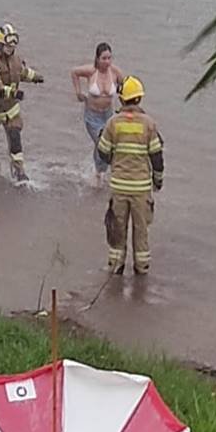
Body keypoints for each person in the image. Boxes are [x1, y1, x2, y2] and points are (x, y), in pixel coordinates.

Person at [96, 77, 164, 275]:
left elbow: (102, 152)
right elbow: (157, 157)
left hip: (119, 187)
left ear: (121, 99)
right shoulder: (149, 124)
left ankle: (116, 269)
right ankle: (141, 271)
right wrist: (157, 181)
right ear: (139, 99)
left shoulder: (112, 124)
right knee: (141, 231)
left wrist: (115, 162)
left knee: (117, 230)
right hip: (141, 189)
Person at [0, 23, 44, 182]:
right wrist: (12, 92)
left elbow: (22, 72)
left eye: (12, 45)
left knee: (15, 139)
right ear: (0, 45)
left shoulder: (16, 59)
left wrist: (35, 77)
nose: (10, 48)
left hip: (10, 110)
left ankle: (19, 173)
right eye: (7, 45)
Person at [71, 43, 125, 186]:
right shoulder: (91, 71)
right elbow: (74, 72)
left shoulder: (115, 72)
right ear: (97, 58)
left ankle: (99, 172)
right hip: (92, 116)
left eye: (109, 58)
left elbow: (125, 87)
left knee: (107, 145)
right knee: (102, 144)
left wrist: (125, 108)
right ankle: (99, 174)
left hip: (108, 115)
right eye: (104, 58)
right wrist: (78, 93)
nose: (107, 62)